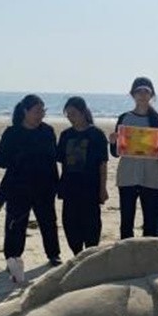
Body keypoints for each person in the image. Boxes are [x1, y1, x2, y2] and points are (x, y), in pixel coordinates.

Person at [0, 94, 61, 284]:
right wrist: (19, 157)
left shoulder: (47, 131)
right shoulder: (12, 133)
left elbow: (53, 160)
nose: (41, 115)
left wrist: (56, 184)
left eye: (43, 111)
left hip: (44, 186)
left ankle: (53, 254)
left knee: (48, 222)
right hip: (18, 186)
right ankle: (12, 258)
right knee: (15, 224)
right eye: (37, 111)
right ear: (25, 111)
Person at [109, 76, 158, 239]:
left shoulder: (157, 119)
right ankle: (127, 252)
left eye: (146, 92)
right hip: (127, 176)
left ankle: (147, 253)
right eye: (139, 91)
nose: (142, 95)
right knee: (126, 221)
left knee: (150, 222)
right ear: (132, 94)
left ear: (152, 95)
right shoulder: (124, 118)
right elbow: (115, 152)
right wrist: (113, 142)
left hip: (151, 177)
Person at [56, 96, 109, 255]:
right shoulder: (66, 135)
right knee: (70, 224)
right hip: (70, 187)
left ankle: (89, 255)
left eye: (73, 113)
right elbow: (61, 162)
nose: (70, 118)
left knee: (92, 225)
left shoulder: (96, 134)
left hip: (90, 187)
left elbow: (102, 164)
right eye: (68, 114)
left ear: (83, 112)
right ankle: (76, 254)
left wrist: (103, 189)